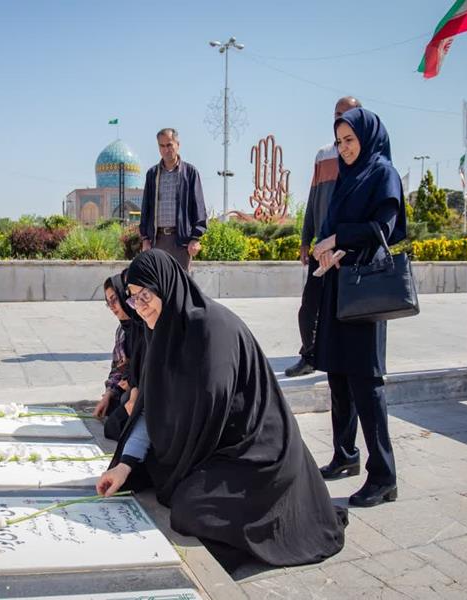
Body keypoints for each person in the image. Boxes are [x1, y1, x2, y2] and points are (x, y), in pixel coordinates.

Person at [96, 249, 347, 571]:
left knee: (190, 508)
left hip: (256, 453)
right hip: (213, 444)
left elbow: (209, 411)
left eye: (145, 294)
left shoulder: (209, 328)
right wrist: (125, 464)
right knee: (149, 473)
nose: (140, 306)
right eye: (133, 298)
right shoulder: (160, 331)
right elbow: (152, 407)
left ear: (166, 286)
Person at [311, 107, 406, 507]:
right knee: (338, 376)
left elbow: (382, 229)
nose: (344, 148)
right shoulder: (347, 177)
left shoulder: (382, 173)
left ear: (367, 138)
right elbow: (332, 226)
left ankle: (384, 476)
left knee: (367, 384)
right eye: (339, 142)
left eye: (350, 140)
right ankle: (345, 454)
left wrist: (337, 241)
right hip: (338, 285)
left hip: (365, 291)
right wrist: (326, 250)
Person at [286, 96, 362, 377]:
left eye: (347, 113)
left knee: (348, 309)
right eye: (337, 114)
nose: (341, 118)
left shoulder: (363, 156)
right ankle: (309, 356)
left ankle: (345, 358)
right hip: (321, 249)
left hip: (348, 251)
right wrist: (306, 239)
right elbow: (314, 198)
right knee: (309, 306)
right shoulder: (323, 155)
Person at [139, 128, 207, 271]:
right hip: (157, 241)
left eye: (169, 145)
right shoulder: (152, 174)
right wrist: (145, 239)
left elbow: (199, 207)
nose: (166, 150)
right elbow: (146, 208)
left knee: (180, 282)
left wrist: (195, 238)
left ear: (178, 145)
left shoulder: (190, 173)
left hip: (181, 242)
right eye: (162, 146)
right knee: (158, 282)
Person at [93, 272, 146, 441]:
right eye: (108, 302)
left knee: (118, 417)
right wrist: (108, 393)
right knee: (112, 406)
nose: (112, 306)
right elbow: (116, 368)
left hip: (145, 390)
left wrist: (133, 381)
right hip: (131, 388)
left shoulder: (145, 324)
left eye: (114, 299)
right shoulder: (123, 330)